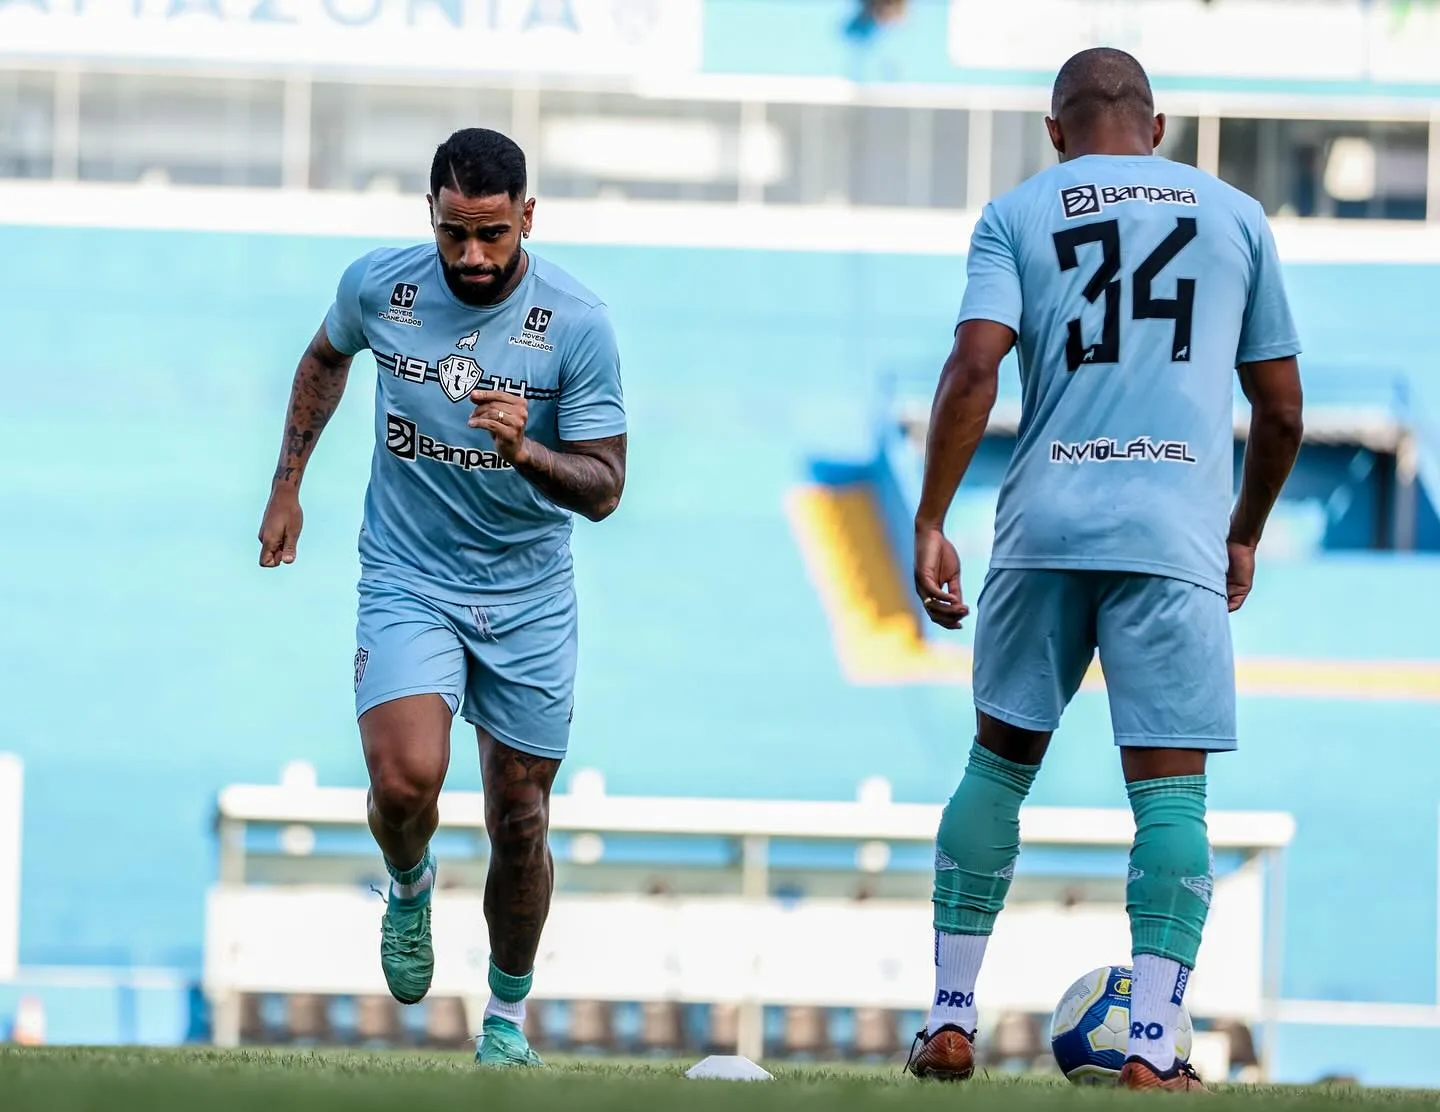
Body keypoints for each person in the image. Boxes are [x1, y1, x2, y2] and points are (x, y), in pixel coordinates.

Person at [904, 48, 1303, 1091]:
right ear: (1157, 126)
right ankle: (1155, 1046)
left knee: (996, 764)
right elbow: (1284, 408)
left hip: (1044, 526)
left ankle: (949, 1018)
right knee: (1171, 800)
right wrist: (1244, 527)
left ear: (1055, 132)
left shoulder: (1017, 212)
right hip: (1172, 535)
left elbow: (976, 368)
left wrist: (933, 516)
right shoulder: (1236, 215)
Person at [256, 127, 627, 1069]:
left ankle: (504, 1023)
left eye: (492, 236)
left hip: (529, 592)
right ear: (430, 213)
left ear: (527, 220)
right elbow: (322, 358)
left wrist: (525, 452)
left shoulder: (577, 324)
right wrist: (287, 484)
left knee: (520, 817)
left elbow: (606, 487)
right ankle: (410, 882)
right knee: (404, 779)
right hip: (409, 576)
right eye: (455, 232)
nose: (471, 256)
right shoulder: (382, 287)